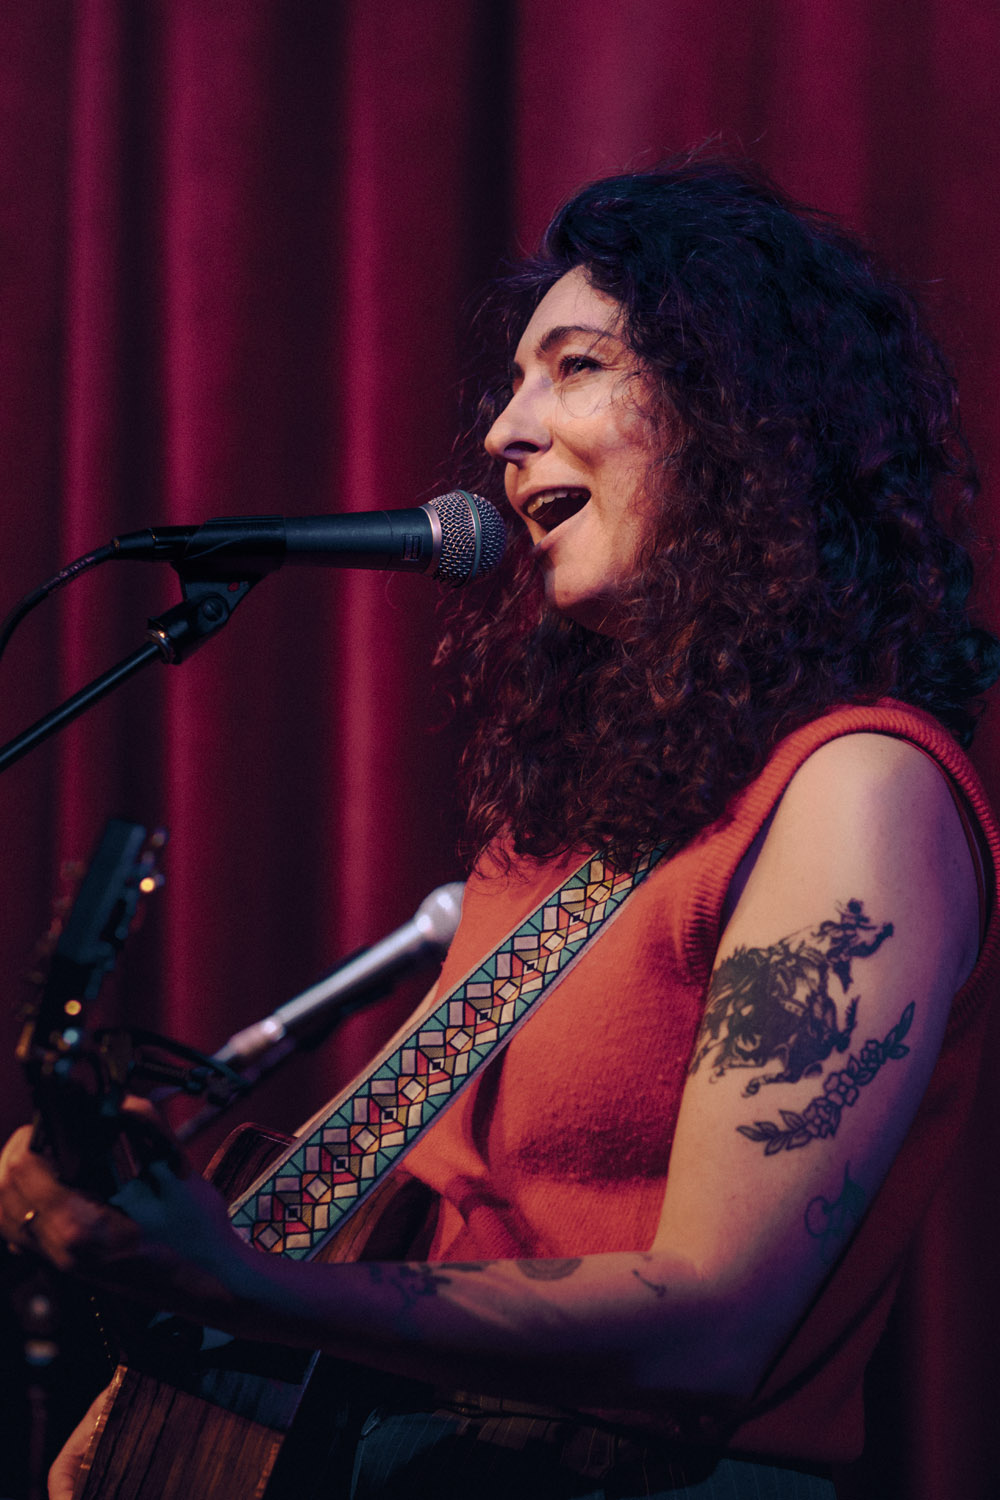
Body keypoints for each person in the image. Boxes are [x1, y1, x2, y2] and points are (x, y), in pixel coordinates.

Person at [2, 159, 999, 1500]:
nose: (503, 431)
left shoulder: (860, 790)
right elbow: (398, 1208)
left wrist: (236, 1288)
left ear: (746, 416)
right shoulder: (579, 828)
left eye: (575, 366)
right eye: (514, 381)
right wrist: (161, 1337)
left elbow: (713, 1325)